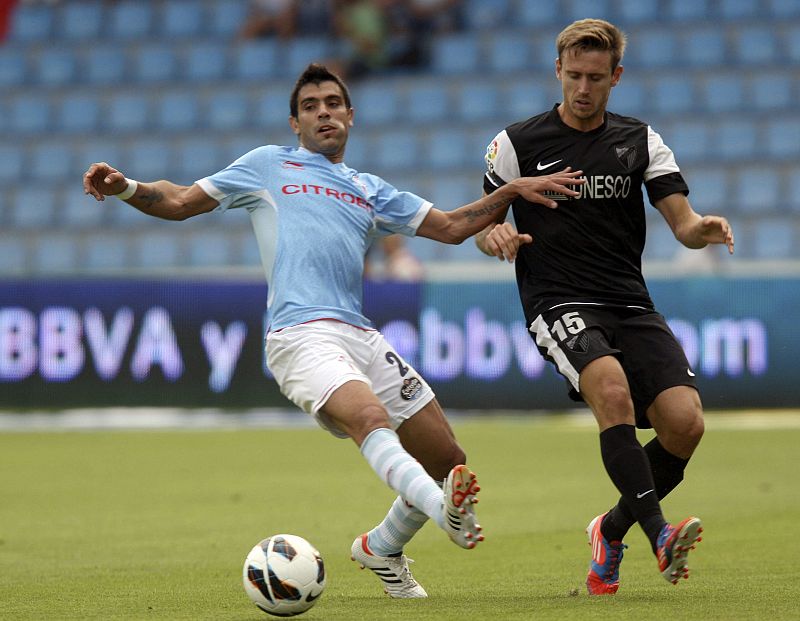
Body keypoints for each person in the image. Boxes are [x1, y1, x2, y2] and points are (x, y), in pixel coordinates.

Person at [83, 63, 584, 598]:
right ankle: (445, 512)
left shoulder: (368, 189)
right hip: (299, 335)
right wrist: (127, 187)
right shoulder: (266, 165)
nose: (323, 111)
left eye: (332, 103)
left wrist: (512, 190)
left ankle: (382, 548)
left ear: (350, 116)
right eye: (310, 106)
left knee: (446, 458)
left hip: (361, 335)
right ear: (295, 124)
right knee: (369, 416)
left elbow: (452, 227)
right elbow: (180, 201)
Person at [474, 19, 735, 595]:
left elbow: (682, 221)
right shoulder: (516, 144)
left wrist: (701, 230)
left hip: (629, 302)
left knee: (685, 424)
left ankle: (609, 530)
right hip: (557, 299)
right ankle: (660, 534)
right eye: (573, 76)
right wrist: (494, 237)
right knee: (611, 392)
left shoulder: (640, 140)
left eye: (596, 77)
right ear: (557, 72)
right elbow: (484, 225)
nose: (583, 88)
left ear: (616, 76)